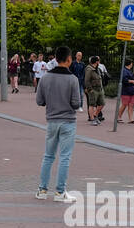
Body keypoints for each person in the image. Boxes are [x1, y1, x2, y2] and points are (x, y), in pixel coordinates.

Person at [35, 46, 83, 202]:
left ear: (55, 59)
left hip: (51, 121)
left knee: (48, 156)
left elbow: (39, 101)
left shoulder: (46, 78)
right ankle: (60, 192)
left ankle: (42, 190)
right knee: (64, 157)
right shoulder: (73, 80)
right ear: (69, 60)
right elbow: (76, 104)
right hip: (68, 122)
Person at [84, 55, 105, 124]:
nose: (99, 62)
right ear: (96, 62)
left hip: (100, 89)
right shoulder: (89, 69)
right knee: (92, 105)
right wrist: (90, 89)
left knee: (102, 104)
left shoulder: (97, 69)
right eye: (98, 61)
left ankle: (95, 115)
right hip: (93, 89)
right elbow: (87, 80)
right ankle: (92, 119)